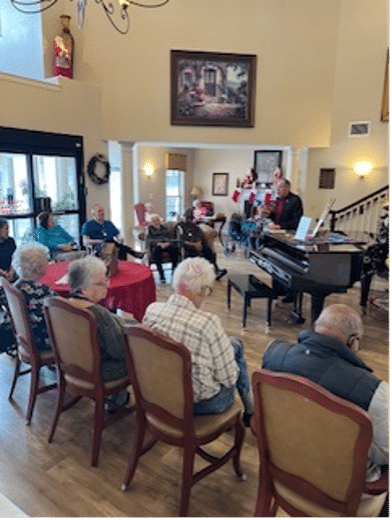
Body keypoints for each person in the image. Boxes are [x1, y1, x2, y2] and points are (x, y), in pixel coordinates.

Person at [262, 304, 389, 488]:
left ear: (316, 327)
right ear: (353, 341)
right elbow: (385, 454)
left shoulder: (272, 353)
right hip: (341, 489)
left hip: (285, 468)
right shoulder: (375, 392)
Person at [143, 257, 254, 425]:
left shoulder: (152, 310)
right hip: (199, 404)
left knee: (231, 345)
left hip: (161, 393)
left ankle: (250, 410)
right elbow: (229, 379)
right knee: (235, 347)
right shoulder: (207, 323)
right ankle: (251, 411)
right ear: (202, 290)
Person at [67, 256, 137, 405]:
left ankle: (119, 397)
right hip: (99, 371)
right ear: (84, 289)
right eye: (101, 283)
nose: (107, 286)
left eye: (106, 281)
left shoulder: (63, 305)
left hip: (73, 365)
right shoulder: (98, 314)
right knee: (142, 356)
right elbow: (119, 351)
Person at [10, 244, 57, 351]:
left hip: (24, 338)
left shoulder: (16, 285)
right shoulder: (42, 291)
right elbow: (61, 312)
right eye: (46, 260)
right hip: (41, 341)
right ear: (38, 267)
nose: (48, 263)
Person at [177, 209, 227, 281]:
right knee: (192, 251)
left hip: (196, 244)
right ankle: (197, 273)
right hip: (187, 245)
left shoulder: (194, 226)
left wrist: (199, 243)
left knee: (207, 250)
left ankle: (215, 270)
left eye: (191, 218)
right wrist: (194, 244)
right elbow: (181, 240)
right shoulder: (180, 227)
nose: (189, 220)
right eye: (187, 218)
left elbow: (199, 235)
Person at [0, 218, 17, 354]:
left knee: (22, 281)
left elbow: (14, 259)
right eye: (5, 229)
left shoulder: (10, 241)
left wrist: (11, 271)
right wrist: (2, 273)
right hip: (1, 274)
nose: (8, 232)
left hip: (9, 272)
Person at [146, 214, 179, 283]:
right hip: (157, 245)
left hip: (166, 244)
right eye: (154, 221)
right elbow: (149, 240)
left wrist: (168, 243)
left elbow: (169, 237)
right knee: (156, 252)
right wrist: (159, 244)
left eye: (157, 220)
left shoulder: (164, 228)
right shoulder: (149, 229)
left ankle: (174, 272)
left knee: (175, 249)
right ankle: (162, 275)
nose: (156, 222)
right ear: (151, 222)